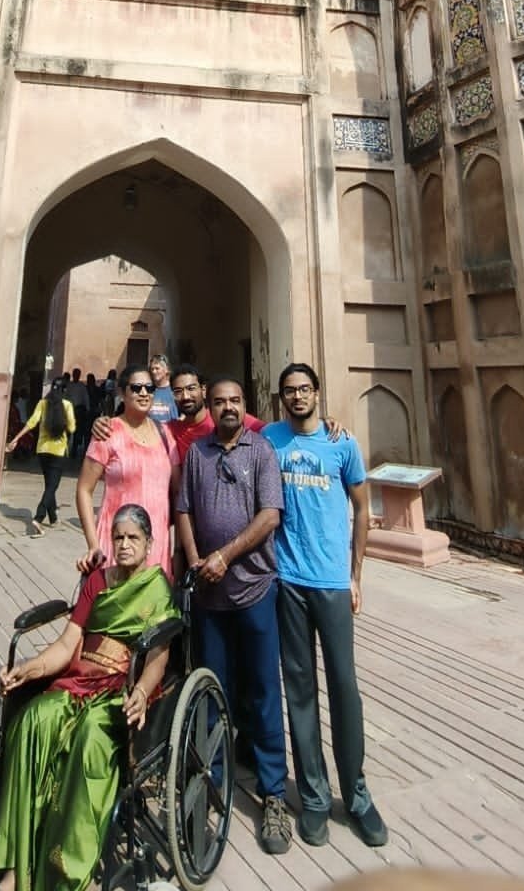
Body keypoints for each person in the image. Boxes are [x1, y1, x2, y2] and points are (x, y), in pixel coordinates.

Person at [0, 504, 178, 891]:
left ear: (149, 543)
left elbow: (158, 660)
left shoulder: (157, 588)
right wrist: (29, 669)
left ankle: (67, 870)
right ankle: (15, 867)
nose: (124, 544)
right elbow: (66, 645)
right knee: (33, 720)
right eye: (118, 537)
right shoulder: (97, 582)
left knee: (90, 735)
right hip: (78, 681)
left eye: (133, 538)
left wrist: (141, 692)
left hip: (118, 689)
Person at [264, 363, 387, 848]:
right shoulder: (270, 440)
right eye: (289, 391)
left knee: (344, 687)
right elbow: (223, 425)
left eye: (304, 389)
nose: (297, 397)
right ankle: (314, 796)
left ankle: (356, 795)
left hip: (332, 582)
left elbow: (363, 508)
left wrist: (356, 576)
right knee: (299, 690)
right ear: (281, 397)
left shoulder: (342, 443)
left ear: (317, 393)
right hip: (288, 581)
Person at [174, 376, 290, 855]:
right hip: (209, 596)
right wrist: (196, 559)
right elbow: (183, 509)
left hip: (255, 588)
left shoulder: (261, 451)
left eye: (235, 401)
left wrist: (225, 555)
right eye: (220, 401)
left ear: (245, 406)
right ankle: (211, 783)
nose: (227, 407)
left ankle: (274, 792)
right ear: (209, 403)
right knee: (210, 691)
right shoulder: (197, 454)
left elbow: (270, 516)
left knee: (263, 690)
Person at [76, 362, 178, 577]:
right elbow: (84, 489)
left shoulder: (166, 435)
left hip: (155, 544)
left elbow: (177, 493)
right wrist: (93, 545)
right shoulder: (108, 432)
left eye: (149, 388)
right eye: (136, 388)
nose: (144, 393)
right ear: (122, 393)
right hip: (116, 544)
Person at [7, 378, 76, 536]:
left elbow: (31, 422)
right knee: (52, 487)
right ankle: (39, 517)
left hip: (42, 450)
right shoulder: (67, 405)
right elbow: (72, 428)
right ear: (64, 390)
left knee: (49, 485)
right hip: (58, 451)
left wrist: (16, 438)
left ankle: (53, 518)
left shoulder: (42, 403)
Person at [168, 364, 265, 464]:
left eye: (191, 388)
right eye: (178, 391)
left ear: (203, 390)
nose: (185, 396)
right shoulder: (170, 431)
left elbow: (267, 431)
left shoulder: (223, 416)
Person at [67, 367, 91, 457]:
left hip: (78, 410)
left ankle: (74, 449)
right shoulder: (69, 385)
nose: (76, 376)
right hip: (69, 410)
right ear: (73, 375)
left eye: (78, 374)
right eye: (75, 374)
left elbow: (85, 397)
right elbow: (65, 396)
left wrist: (87, 409)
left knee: (77, 431)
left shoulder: (82, 386)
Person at [147, 353, 178, 425]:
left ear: (166, 370)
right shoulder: (148, 390)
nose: (154, 372)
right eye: (152, 369)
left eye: (157, 368)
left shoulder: (175, 390)